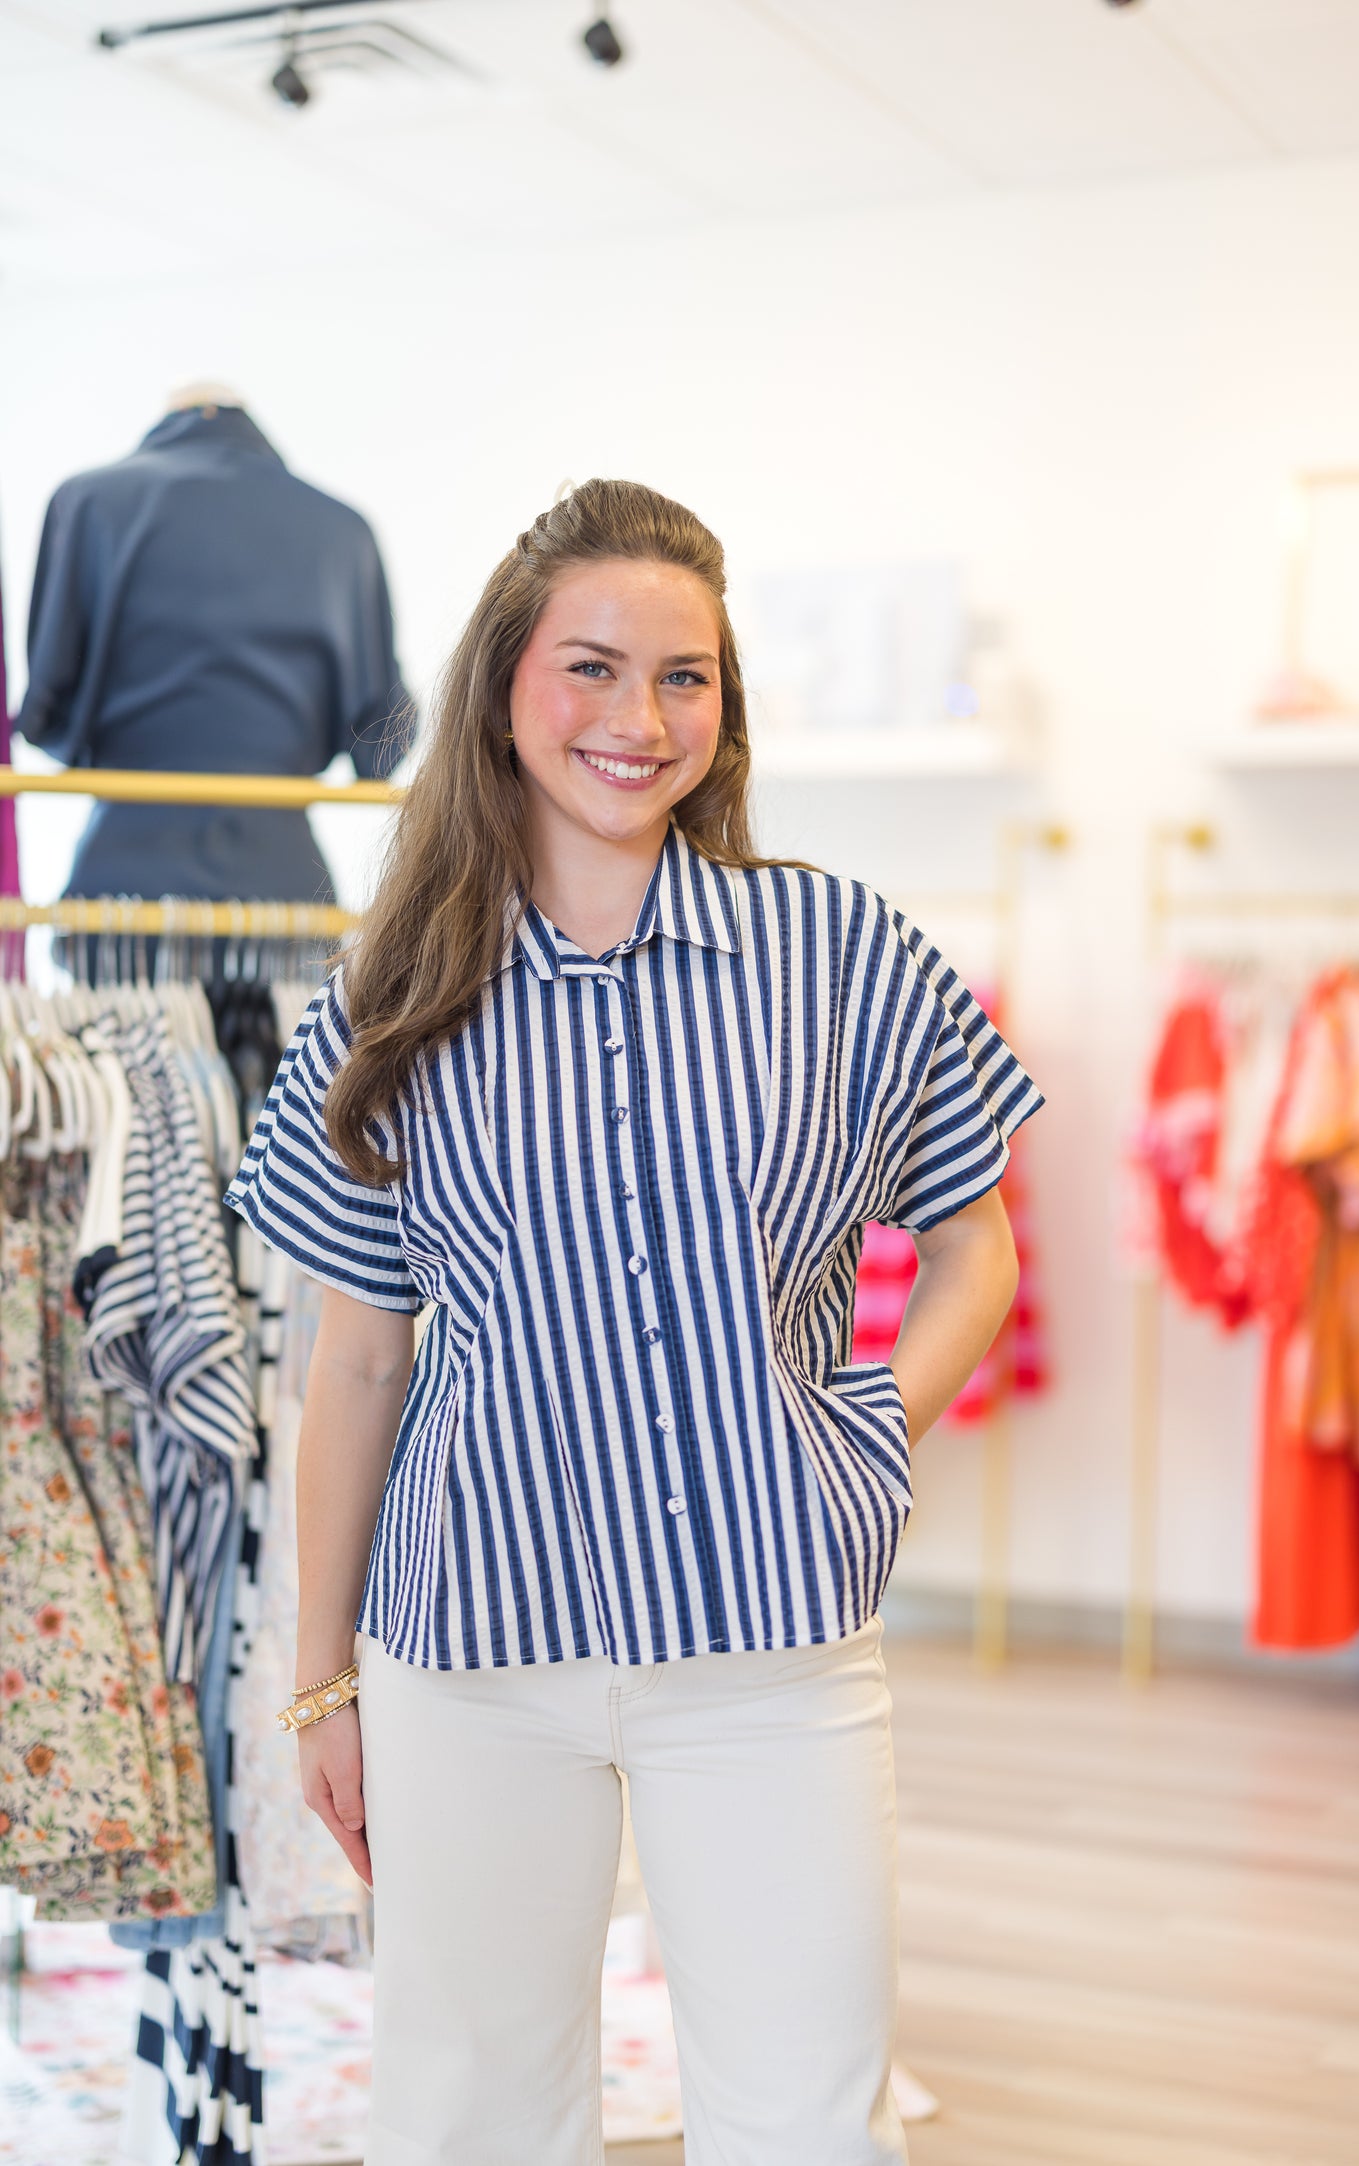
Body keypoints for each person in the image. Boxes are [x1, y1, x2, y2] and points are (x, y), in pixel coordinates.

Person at [225, 478, 1040, 2166]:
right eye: (593, 667)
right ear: (504, 686)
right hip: (471, 1654)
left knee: (808, 2116)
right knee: (471, 2114)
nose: (640, 718)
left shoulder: (834, 949)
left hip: (769, 1644)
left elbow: (978, 1244)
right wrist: (322, 1686)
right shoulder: (389, 991)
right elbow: (359, 1358)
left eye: (686, 679)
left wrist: (870, 1432)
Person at [16, 381, 413, 909]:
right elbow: (381, 744)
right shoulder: (345, 529)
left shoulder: (85, 503)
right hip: (284, 887)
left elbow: (46, 714)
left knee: (113, 992)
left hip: (125, 885)